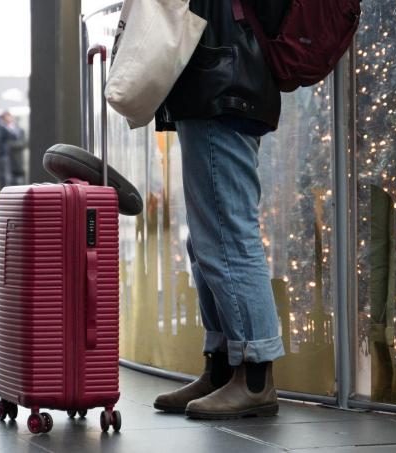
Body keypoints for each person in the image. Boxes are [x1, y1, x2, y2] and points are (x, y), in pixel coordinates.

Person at [152, 0, 290, 419]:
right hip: (219, 83)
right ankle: (222, 365)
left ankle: (254, 376)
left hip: (224, 85)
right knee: (207, 240)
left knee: (228, 236)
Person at [0, 111, 27, 186]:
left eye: (8, 117)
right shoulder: (1, 129)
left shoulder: (19, 130)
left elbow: (23, 143)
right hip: (7, 160)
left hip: (18, 160)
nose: (7, 119)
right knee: (9, 182)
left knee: (21, 181)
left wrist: (9, 145)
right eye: (4, 118)